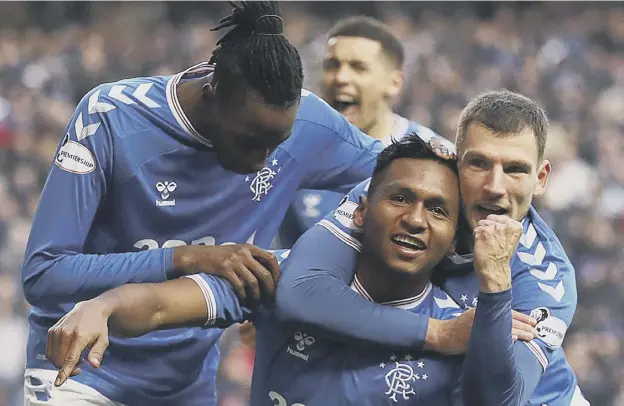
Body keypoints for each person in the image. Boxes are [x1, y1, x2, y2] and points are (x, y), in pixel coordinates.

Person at [20, 2, 385, 405]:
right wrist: (189, 258)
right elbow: (44, 275)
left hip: (185, 388)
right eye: (249, 141)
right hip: (79, 374)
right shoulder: (111, 117)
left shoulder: (309, 123)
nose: (262, 161)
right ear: (211, 93)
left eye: (275, 145)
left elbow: (405, 170)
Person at [45, 135, 538, 405]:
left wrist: (495, 293)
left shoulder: (465, 327)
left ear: (455, 236)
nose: (414, 218)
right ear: (361, 212)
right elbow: (157, 305)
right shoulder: (281, 275)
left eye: (437, 210)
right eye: (400, 197)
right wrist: (103, 305)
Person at [275, 90, 589, 405]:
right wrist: (440, 333)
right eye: (478, 163)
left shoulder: (544, 278)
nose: (494, 187)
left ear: (541, 178)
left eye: (514, 170)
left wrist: (495, 284)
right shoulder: (403, 191)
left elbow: (494, 402)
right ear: (455, 159)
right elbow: (301, 291)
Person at [277, 16, 449, 248]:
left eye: (358, 67)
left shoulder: (436, 159)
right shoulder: (296, 150)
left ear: (394, 83)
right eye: (332, 65)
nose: (341, 78)